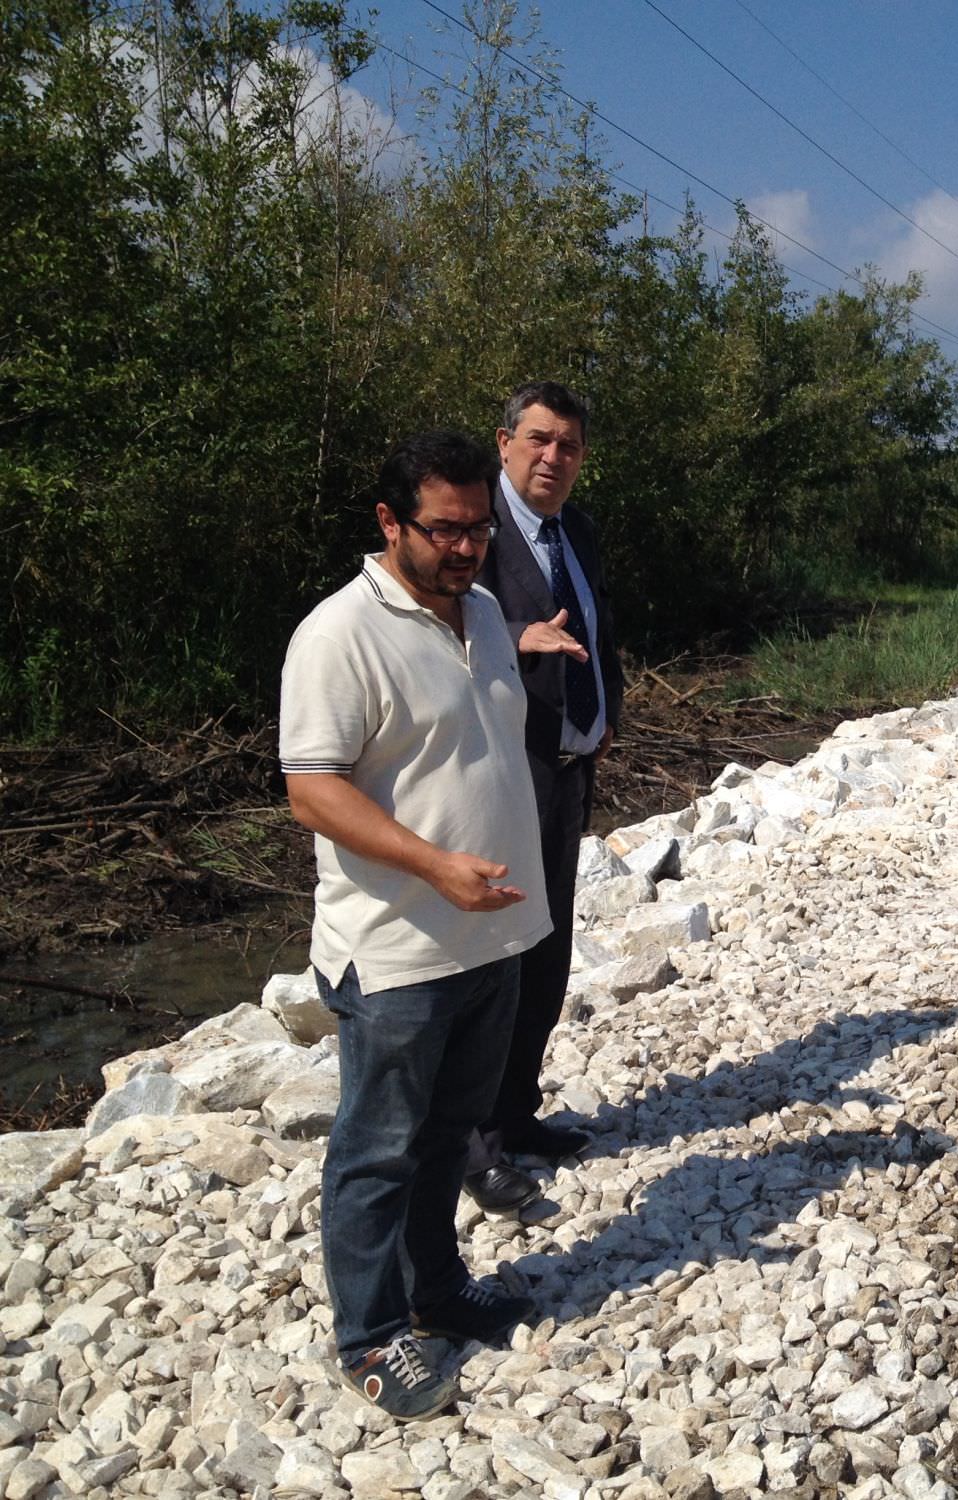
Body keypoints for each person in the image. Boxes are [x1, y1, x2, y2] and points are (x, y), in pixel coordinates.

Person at [280, 431, 548, 1419]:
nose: (468, 547)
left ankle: (437, 1292)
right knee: (376, 1151)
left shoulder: (480, 611)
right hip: (395, 951)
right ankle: (370, 1337)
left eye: (480, 526)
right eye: (445, 529)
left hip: (490, 941)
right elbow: (312, 791)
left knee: (448, 1139)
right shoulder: (337, 635)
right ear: (390, 522)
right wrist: (436, 864)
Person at [461, 380, 624, 1212]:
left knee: (548, 948)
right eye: (538, 439)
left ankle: (516, 1112)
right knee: (497, 957)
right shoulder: (470, 536)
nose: (552, 457)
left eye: (567, 445)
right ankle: (475, 1144)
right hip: (500, 772)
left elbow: (597, 630)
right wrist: (508, 638)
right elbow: (432, 634)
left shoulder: (577, 531)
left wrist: (606, 717)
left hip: (566, 769)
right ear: (503, 442)